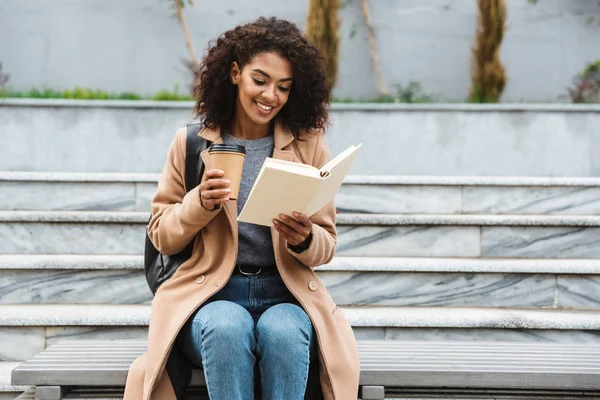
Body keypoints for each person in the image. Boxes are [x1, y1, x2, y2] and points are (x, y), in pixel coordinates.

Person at [123, 16, 359, 400]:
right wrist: (197, 204)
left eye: (283, 87)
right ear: (235, 73)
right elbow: (161, 236)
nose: (271, 96)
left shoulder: (309, 145)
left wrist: (304, 240)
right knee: (227, 326)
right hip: (210, 293)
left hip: (286, 292)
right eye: (260, 80)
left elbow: (326, 243)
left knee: (284, 331)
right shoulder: (192, 143)